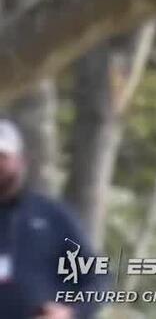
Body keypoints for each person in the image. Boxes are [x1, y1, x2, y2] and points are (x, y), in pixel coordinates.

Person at [0, 119, 101, 319]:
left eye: (2, 156)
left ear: (20, 161)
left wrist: (70, 312)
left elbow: (97, 279)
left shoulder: (51, 216)